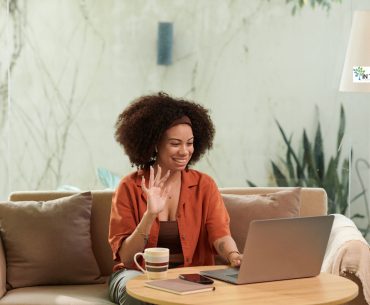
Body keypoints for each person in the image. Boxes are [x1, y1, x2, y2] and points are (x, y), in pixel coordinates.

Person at [108, 92, 242, 305]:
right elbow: (126, 258)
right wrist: (150, 214)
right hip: (138, 275)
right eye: (175, 143)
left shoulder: (204, 185)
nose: (185, 151)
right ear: (154, 144)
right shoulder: (129, 187)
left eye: (190, 143)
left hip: (190, 275)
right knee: (138, 294)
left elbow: (220, 235)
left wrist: (234, 255)